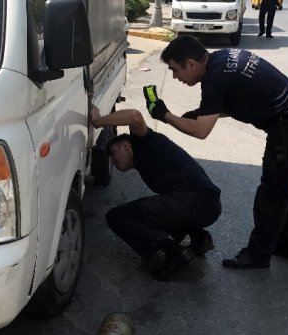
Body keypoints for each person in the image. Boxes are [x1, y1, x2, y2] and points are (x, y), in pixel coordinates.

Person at [149, 35, 288, 269]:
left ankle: (257, 255)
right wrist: (203, 112)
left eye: (175, 70)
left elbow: (201, 131)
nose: (176, 77)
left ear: (191, 64)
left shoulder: (215, 78)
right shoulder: (221, 59)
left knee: (273, 191)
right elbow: (236, 101)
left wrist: (165, 116)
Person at [90, 106, 222, 280]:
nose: (113, 162)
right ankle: (199, 237)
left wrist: (98, 121)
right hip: (207, 205)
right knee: (159, 207)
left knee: (117, 216)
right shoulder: (144, 160)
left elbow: (134, 116)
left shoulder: (143, 143)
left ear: (127, 146)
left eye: (113, 155)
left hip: (197, 201)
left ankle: (176, 253)